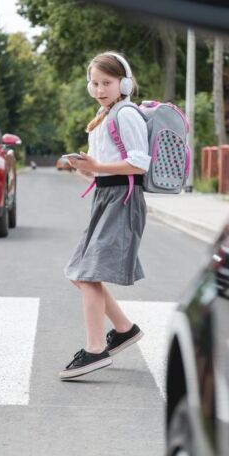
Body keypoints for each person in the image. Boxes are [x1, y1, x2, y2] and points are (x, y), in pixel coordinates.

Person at [59, 51, 150, 380]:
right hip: (105, 197)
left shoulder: (126, 114)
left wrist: (96, 167)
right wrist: (86, 169)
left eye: (106, 83)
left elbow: (140, 163)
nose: (99, 89)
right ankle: (124, 330)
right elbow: (101, 172)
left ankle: (96, 350)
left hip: (123, 200)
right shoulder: (104, 115)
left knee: (87, 274)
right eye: (94, 83)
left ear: (123, 84)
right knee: (78, 272)